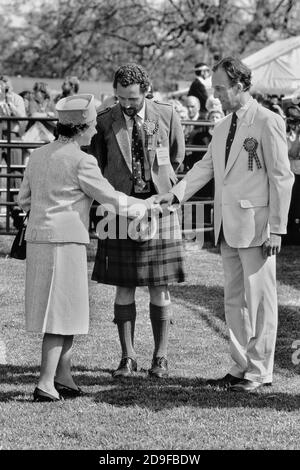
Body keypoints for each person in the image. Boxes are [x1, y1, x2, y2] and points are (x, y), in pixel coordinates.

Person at [155, 56, 294, 392]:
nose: (214, 95)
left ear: (240, 85)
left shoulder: (268, 121)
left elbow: (281, 178)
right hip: (227, 226)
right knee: (234, 300)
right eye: (214, 88)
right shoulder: (221, 127)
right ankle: (241, 364)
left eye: (220, 88)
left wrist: (276, 228)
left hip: (257, 226)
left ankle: (260, 370)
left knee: (260, 300)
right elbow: (205, 168)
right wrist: (174, 196)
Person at [17, 93, 155, 402]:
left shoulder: (38, 155)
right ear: (81, 127)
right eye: (92, 125)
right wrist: (148, 207)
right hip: (65, 242)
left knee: (64, 312)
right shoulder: (82, 160)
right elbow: (112, 199)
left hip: (40, 239)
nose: (95, 130)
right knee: (58, 314)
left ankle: (63, 377)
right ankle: (45, 382)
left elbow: (23, 200)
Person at [90, 63, 185, 379]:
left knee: (160, 285)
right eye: (120, 98)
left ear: (146, 91)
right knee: (124, 285)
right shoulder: (105, 121)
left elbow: (176, 156)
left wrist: (160, 192)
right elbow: (99, 164)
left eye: (132, 99)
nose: (126, 105)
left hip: (159, 207)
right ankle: (127, 358)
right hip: (119, 211)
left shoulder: (167, 115)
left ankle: (161, 358)